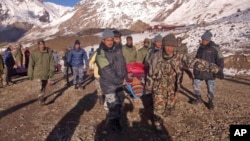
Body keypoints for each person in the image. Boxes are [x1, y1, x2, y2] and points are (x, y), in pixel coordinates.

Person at [146, 33, 220, 133]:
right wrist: (148, 89)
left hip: (173, 87)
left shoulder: (179, 57)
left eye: (172, 46)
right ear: (163, 45)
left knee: (169, 107)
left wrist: (214, 68)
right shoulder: (155, 57)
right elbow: (150, 74)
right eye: (167, 46)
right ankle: (158, 123)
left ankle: (164, 116)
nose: (169, 49)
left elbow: (195, 62)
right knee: (158, 107)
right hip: (158, 87)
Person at [96, 29, 127, 132]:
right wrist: (120, 80)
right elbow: (106, 71)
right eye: (107, 40)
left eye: (111, 39)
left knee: (120, 102)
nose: (109, 42)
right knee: (113, 105)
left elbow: (122, 64)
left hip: (119, 83)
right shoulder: (101, 53)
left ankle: (116, 119)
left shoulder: (117, 49)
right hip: (109, 85)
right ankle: (113, 125)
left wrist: (125, 76)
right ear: (103, 40)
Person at [192, 30, 224, 110]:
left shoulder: (215, 48)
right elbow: (196, 59)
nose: (203, 41)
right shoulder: (200, 48)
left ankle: (210, 101)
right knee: (196, 84)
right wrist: (195, 68)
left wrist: (219, 70)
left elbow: (220, 60)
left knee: (211, 87)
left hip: (210, 72)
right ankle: (198, 98)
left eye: (204, 40)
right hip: (199, 71)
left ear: (208, 40)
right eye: (202, 39)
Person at [28, 40, 55, 105]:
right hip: (37, 73)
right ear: (38, 45)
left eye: (43, 44)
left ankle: (42, 96)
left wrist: (52, 71)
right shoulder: (34, 53)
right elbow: (31, 64)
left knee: (43, 86)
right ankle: (40, 98)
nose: (42, 46)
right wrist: (30, 73)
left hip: (46, 73)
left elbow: (51, 62)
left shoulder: (49, 52)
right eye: (40, 44)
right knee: (39, 87)